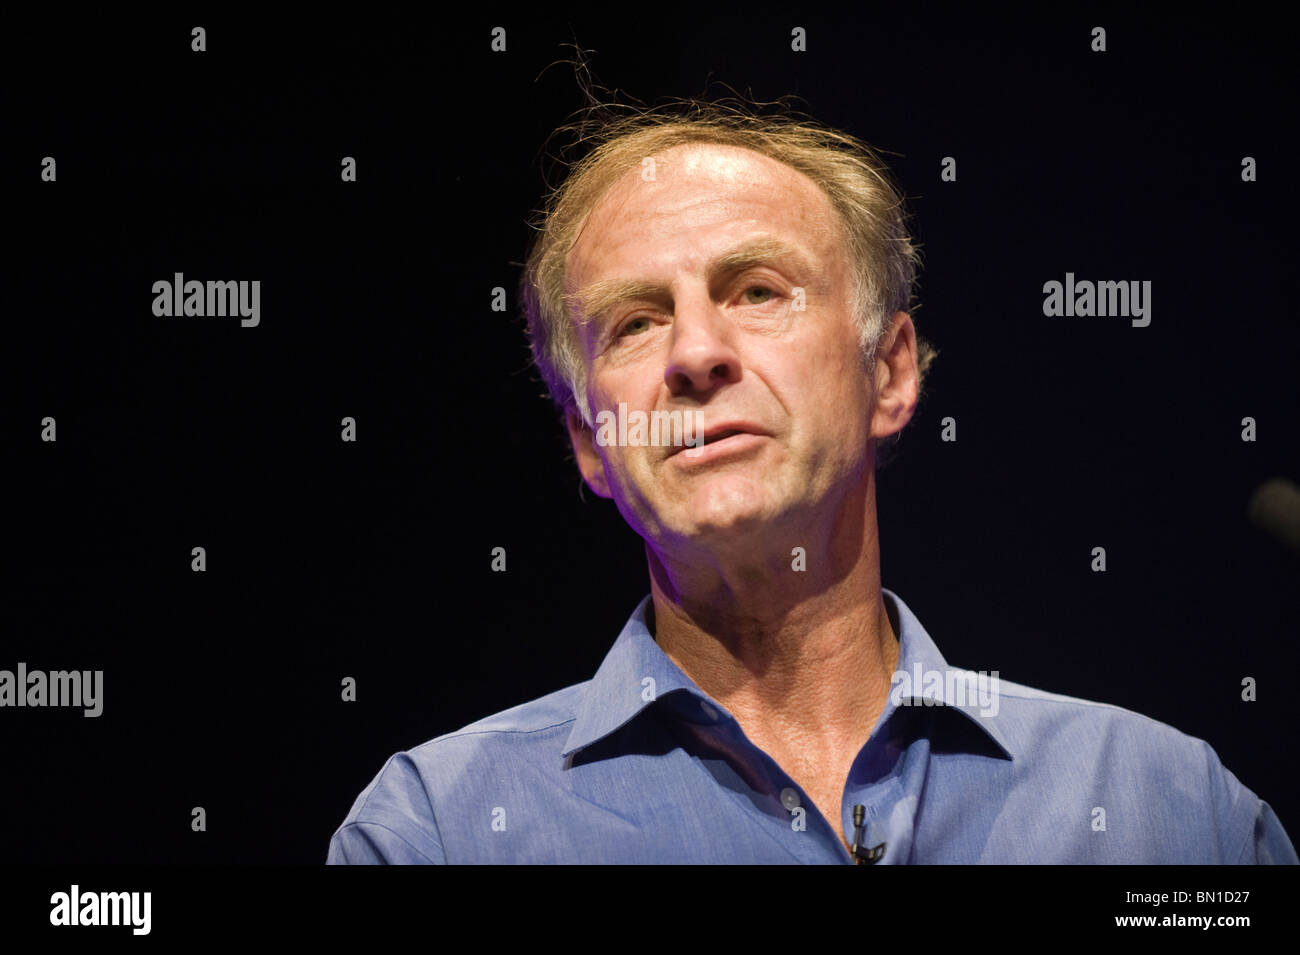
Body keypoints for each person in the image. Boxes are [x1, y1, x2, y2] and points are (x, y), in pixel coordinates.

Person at [328, 97, 1296, 864]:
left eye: (757, 291)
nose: (697, 352)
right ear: (590, 438)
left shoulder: (1163, 806)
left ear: (890, 371)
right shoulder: (438, 832)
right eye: (634, 321)